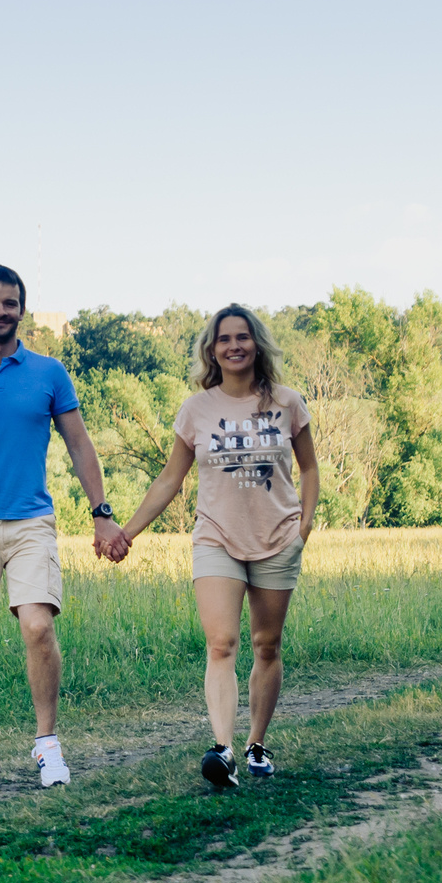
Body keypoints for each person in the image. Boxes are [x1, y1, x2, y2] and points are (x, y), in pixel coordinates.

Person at [0, 264, 127, 789]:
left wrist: (102, 514)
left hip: (31, 517)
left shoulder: (49, 372)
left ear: (21, 309)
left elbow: (79, 445)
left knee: (37, 625)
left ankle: (46, 744)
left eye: (10, 303)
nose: (0, 312)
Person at [111, 304, 318, 790]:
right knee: (221, 643)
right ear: (212, 349)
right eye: (224, 339)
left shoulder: (288, 402)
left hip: (277, 538)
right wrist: (128, 531)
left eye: (242, 337)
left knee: (267, 645)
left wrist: (303, 528)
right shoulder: (196, 409)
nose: (234, 346)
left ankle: (256, 744)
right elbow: (169, 479)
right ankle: (222, 749)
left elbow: (309, 468)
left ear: (257, 343)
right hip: (215, 537)